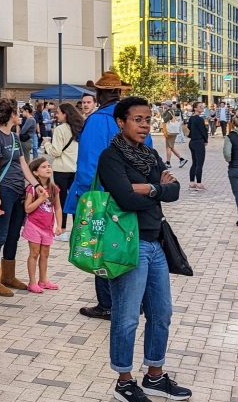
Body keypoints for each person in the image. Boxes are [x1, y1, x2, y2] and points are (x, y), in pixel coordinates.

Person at [98, 96, 192, 402]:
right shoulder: (111, 157)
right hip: (129, 244)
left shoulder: (150, 154)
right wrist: (157, 190)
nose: (144, 125)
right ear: (121, 122)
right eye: (137, 119)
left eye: (147, 119)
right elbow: (125, 199)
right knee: (126, 316)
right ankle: (124, 382)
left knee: (162, 312)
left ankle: (155, 376)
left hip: (156, 243)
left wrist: (149, 188)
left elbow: (174, 190)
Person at [65, 71, 151, 321]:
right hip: (135, 196)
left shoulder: (97, 120)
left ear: (100, 94)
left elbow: (88, 165)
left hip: (104, 197)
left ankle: (108, 304)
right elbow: (148, 158)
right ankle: (134, 301)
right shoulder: (135, 119)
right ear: (120, 93)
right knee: (130, 246)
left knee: (101, 248)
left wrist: (85, 198)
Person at [0, 97, 41, 296]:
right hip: (5, 191)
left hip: (19, 192)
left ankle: (8, 276)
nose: (20, 116)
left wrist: (36, 185)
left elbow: (23, 164)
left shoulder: (14, 138)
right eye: (17, 113)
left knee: (13, 235)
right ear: (10, 115)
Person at [44, 103, 83, 242]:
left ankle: (62, 228)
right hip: (76, 168)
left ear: (65, 114)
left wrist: (46, 144)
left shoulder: (60, 129)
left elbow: (56, 151)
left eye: (59, 112)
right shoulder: (79, 128)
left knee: (61, 200)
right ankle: (78, 230)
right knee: (75, 199)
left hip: (61, 168)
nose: (56, 115)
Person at [22, 157, 60, 293]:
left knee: (45, 254)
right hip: (34, 226)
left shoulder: (53, 188)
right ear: (35, 172)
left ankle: (43, 280)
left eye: (49, 166)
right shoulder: (32, 189)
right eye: (43, 167)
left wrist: (59, 225)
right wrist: (42, 199)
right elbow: (27, 209)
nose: (48, 168)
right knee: (34, 253)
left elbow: (57, 208)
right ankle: (32, 282)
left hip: (48, 227)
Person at [186, 102, 208, 190]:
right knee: (200, 163)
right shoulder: (199, 119)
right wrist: (206, 139)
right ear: (195, 108)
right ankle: (199, 183)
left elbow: (188, 128)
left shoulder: (191, 118)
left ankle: (192, 182)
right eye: (200, 107)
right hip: (199, 141)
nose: (202, 108)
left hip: (192, 142)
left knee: (194, 162)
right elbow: (203, 131)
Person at [160, 102, 188, 168]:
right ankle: (181, 159)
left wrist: (163, 114)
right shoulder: (170, 111)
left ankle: (169, 162)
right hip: (170, 131)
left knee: (169, 147)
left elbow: (165, 119)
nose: (164, 105)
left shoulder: (169, 111)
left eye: (165, 104)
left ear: (167, 105)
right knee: (170, 147)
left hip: (170, 132)